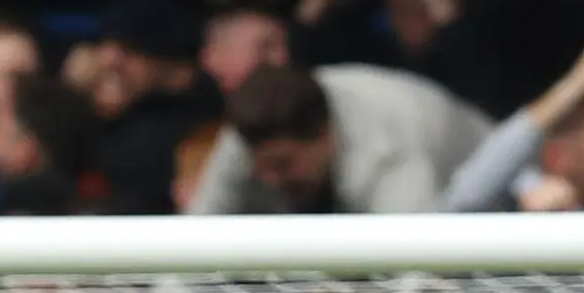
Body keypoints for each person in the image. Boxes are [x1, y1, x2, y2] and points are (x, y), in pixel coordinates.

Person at [188, 63, 491, 217]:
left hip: (497, 205)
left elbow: (420, 277)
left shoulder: (388, 151)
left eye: (282, 164)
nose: (267, 179)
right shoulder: (247, 130)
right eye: (258, 166)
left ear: (324, 134)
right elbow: (197, 236)